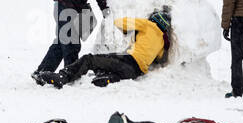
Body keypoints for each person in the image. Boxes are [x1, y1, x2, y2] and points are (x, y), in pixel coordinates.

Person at [36, 10, 170, 88]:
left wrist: (133, 30)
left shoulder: (148, 25)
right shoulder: (162, 42)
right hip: (136, 72)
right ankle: (108, 78)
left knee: (90, 59)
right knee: (108, 64)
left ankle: (63, 77)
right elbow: (159, 59)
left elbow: (119, 22)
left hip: (127, 61)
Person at [32, 0, 110, 77]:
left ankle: (41, 72)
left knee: (61, 42)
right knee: (70, 42)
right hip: (64, 8)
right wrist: (78, 11)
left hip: (75, 9)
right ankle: (71, 75)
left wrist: (104, 8)